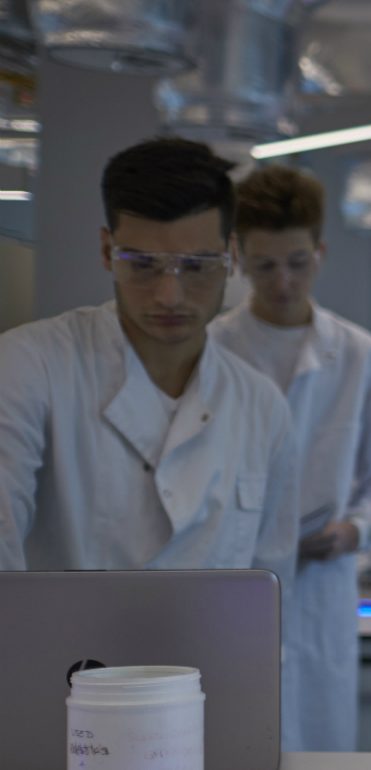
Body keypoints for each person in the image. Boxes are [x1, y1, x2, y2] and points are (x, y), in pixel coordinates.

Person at [0, 138, 297, 581]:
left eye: (196, 266)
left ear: (231, 257)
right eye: (141, 264)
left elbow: (271, 597)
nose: (169, 295)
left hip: (210, 653)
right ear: (106, 251)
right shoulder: (28, 368)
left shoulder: (262, 406)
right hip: (65, 653)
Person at [210, 164, 371, 752]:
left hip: (323, 587)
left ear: (320, 253)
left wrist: (354, 531)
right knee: (236, 756)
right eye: (265, 265)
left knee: (323, 766)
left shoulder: (359, 357)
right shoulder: (212, 351)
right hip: (233, 588)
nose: (281, 282)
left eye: (297, 263)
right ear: (237, 257)